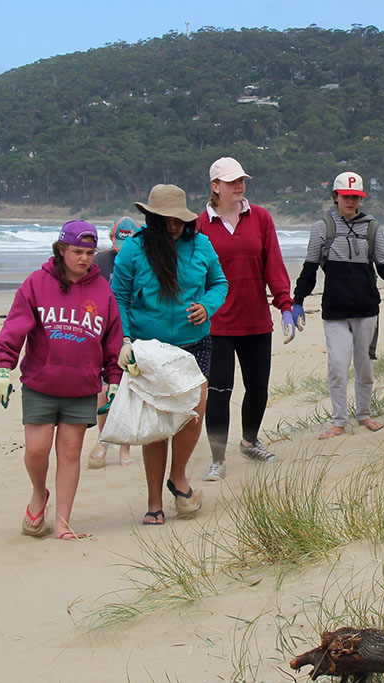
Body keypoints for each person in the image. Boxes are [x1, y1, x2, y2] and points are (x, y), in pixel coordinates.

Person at [0, 220, 123, 540]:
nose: (85, 258)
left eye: (90, 252)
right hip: (41, 384)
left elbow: (113, 338)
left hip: (81, 388)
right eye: (77, 251)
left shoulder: (102, 290)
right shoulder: (37, 283)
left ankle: (63, 522)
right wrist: (3, 369)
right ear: (61, 250)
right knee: (37, 450)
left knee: (70, 454)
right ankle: (39, 494)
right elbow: (14, 328)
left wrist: (114, 380)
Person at [112, 184, 228, 525]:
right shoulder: (134, 249)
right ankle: (154, 503)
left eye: (178, 219)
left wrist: (207, 306)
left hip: (195, 344)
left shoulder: (201, 244)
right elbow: (118, 296)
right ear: (151, 218)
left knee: (192, 413)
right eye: (165, 219)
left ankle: (178, 478)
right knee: (158, 424)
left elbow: (219, 283)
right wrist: (125, 340)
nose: (173, 225)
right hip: (150, 348)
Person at [198, 157, 296, 480]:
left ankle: (249, 442)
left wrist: (285, 305)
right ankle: (217, 458)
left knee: (257, 387)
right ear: (216, 187)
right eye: (231, 181)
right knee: (219, 391)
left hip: (255, 320)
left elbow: (273, 265)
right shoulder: (200, 225)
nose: (239, 186)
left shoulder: (261, 218)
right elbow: (194, 275)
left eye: (241, 180)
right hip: (217, 324)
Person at [293, 171, 384, 439]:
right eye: (346, 196)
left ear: (360, 199)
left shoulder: (372, 228)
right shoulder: (322, 228)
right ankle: (339, 421)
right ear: (335, 196)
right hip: (335, 312)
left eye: (355, 197)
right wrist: (298, 301)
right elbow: (309, 268)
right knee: (338, 368)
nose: (351, 201)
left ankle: (364, 415)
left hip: (367, 310)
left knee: (365, 368)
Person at [88, 216, 138, 469]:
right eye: (119, 246)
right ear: (111, 239)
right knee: (105, 389)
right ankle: (104, 440)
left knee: (129, 389)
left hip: (135, 330)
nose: (122, 252)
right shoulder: (99, 262)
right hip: (105, 332)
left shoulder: (142, 259)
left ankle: (125, 446)